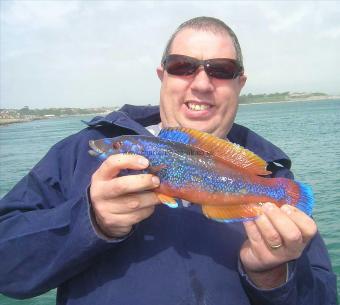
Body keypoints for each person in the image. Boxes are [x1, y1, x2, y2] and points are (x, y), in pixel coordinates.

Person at [0, 16, 337, 305]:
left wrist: (273, 274)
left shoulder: (273, 176)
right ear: (162, 75)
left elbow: (322, 295)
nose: (202, 83)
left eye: (221, 70)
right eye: (182, 66)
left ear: (240, 83)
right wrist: (89, 220)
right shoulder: (77, 151)